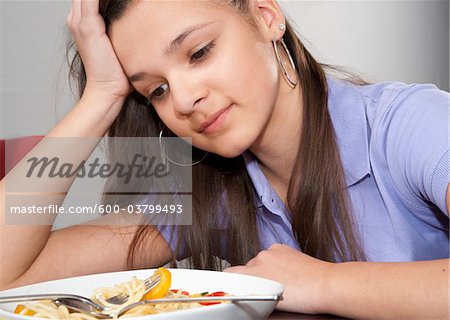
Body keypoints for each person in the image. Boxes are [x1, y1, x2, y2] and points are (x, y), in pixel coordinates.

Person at [0, 0, 448, 319]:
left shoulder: (408, 125)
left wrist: (321, 283)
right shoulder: (207, 187)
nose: (184, 99)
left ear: (266, 16)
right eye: (155, 90)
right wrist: (100, 98)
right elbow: (8, 280)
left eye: (199, 52)